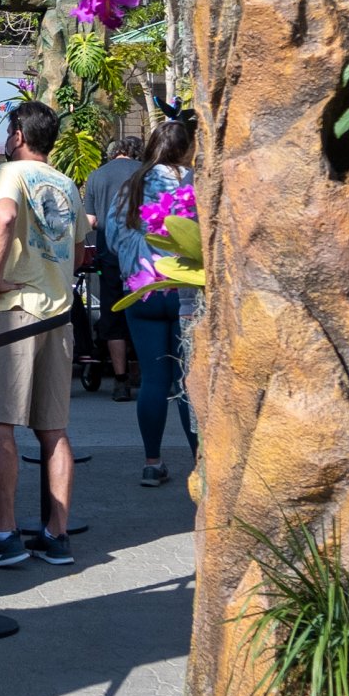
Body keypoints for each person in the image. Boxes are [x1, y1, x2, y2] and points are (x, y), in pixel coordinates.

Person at [0, 100, 83, 568]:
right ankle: (56, 535)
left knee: (0, 423)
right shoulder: (68, 184)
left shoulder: (12, 173)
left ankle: (5, 534)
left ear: (18, 134)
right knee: (53, 431)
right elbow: (79, 254)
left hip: (16, 309)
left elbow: (3, 217)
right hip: (59, 315)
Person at [103, 116, 200, 487]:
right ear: (186, 147)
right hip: (186, 292)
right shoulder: (195, 184)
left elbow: (113, 237)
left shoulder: (132, 184)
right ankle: (200, 462)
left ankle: (152, 461)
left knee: (154, 379)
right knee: (189, 381)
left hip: (142, 290)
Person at [81, 136, 147, 401]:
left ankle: (120, 382)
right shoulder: (147, 173)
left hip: (110, 257)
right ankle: (144, 372)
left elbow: (91, 221)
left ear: (113, 153)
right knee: (142, 313)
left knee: (113, 316)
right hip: (145, 258)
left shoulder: (96, 176)